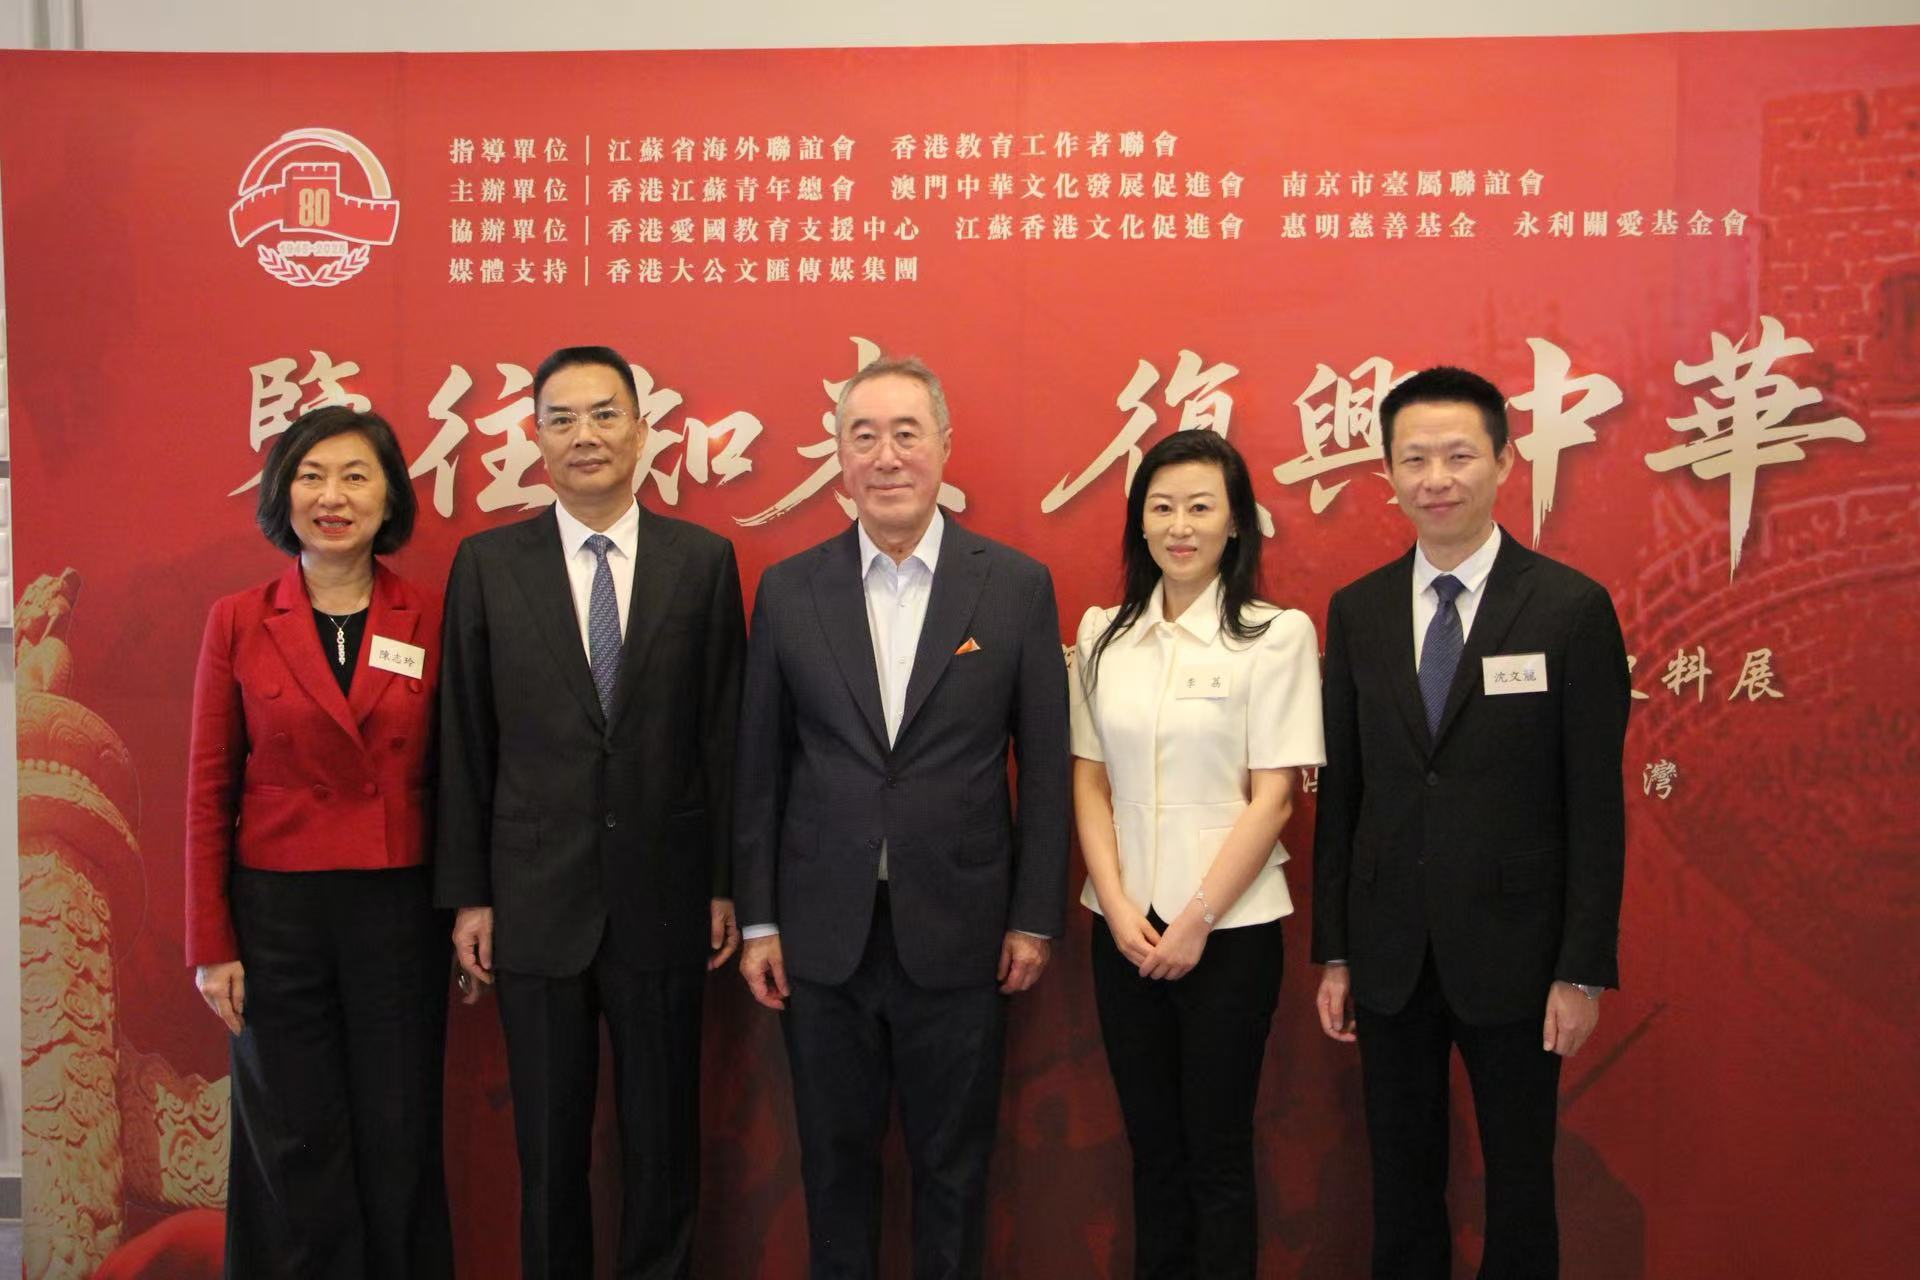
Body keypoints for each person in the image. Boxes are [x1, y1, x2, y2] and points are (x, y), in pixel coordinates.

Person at [733, 355, 1070, 1280]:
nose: (886, 457)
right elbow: (759, 768)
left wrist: (1034, 916)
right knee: (832, 1166)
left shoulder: (1014, 585)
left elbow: (1044, 768)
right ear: (839, 457)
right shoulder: (789, 589)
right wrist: (759, 919)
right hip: (822, 935)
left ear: (944, 447)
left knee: (953, 1169)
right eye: (865, 436)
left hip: (962, 931)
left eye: (906, 434)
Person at [1311, 366, 1631, 1279]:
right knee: (1401, 1184)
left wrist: (1581, 968)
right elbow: (1345, 794)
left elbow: (1596, 805)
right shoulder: (1360, 610)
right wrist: (1337, 951)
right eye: (1414, 459)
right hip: (1391, 952)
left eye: (1458, 456)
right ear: (1388, 473)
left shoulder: (1570, 608)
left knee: (1520, 1187)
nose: (1436, 479)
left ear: (1504, 461)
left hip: (1520, 953)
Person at [434, 345, 745, 1279]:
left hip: (665, 897)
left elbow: (724, 734)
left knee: (663, 1149)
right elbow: (464, 739)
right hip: (534, 902)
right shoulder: (489, 564)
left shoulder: (703, 562)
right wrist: (471, 896)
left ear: (642, 431)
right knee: (548, 1154)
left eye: (605, 414)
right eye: (562, 419)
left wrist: (725, 883)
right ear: (534, 437)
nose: (585, 436)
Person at [184, 405, 452, 1278]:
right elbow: (209, 789)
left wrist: (467, 907)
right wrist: (211, 944)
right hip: (277, 914)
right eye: (311, 476)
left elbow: (462, 776)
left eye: (355, 476)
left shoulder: (431, 614)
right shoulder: (238, 619)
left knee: (398, 1130)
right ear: (282, 494)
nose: (332, 497)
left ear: (390, 497)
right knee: (292, 1137)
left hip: (399, 906)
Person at [1070, 430, 1324, 1279]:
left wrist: (1197, 920)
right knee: (1152, 1153)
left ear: (1236, 523)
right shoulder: (1103, 635)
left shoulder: (1274, 635)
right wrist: (1116, 906)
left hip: (1230, 932)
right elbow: (1089, 781)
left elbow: (1275, 797)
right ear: (1140, 523)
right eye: (1162, 508)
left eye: (1201, 507)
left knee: (1217, 1153)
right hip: (1124, 932)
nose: (1180, 526)